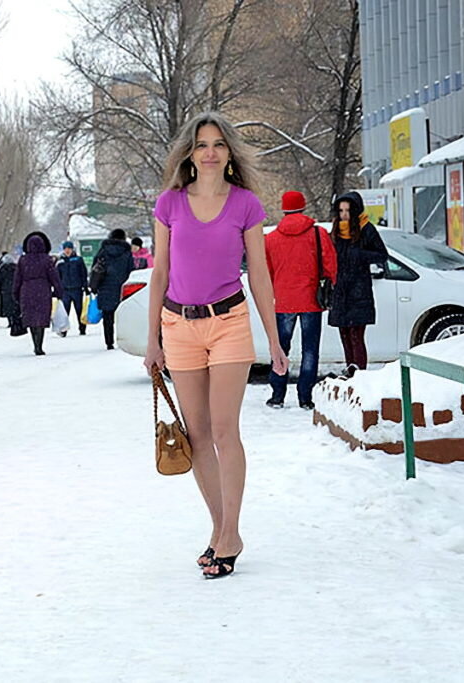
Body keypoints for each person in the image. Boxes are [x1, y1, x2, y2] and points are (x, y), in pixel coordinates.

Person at [143, 111, 289, 579]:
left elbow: (261, 275)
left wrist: (274, 338)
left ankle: (229, 535)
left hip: (228, 323)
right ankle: (222, 530)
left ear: (229, 154)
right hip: (179, 327)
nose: (210, 153)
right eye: (202, 145)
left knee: (226, 432)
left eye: (219, 145)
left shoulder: (245, 204)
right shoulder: (169, 204)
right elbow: (160, 274)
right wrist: (153, 341)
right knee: (198, 435)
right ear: (190, 152)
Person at [264, 191, 337, 410]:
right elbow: (331, 264)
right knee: (310, 349)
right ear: (303, 207)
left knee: (281, 348)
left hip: (284, 300)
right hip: (311, 300)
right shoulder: (318, 234)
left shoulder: (271, 238)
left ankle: (277, 394)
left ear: (283, 208)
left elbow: (266, 272)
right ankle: (305, 397)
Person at [328, 190, 388, 377]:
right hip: (340, 290)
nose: (344, 214)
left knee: (356, 334)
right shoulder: (336, 230)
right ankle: (349, 369)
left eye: (347, 210)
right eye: (341, 210)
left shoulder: (366, 228)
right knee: (344, 333)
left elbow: (382, 255)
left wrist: (360, 255)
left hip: (359, 290)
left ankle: (360, 373)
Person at [13, 231, 63, 355]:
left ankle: (35, 343)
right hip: (43, 290)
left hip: (27, 291)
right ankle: (39, 345)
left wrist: (15, 293)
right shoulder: (47, 260)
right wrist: (58, 291)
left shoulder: (23, 260)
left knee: (30, 318)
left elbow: (17, 278)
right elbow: (54, 277)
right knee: (41, 318)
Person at [90, 228, 134, 350]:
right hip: (122, 288)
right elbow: (131, 270)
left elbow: (95, 268)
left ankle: (109, 341)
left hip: (105, 288)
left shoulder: (103, 251)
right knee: (122, 316)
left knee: (107, 317)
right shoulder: (127, 253)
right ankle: (123, 340)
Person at [56, 240, 88, 336]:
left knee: (79, 309)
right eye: (65, 249)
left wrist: (85, 286)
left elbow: (83, 274)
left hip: (77, 288)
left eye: (69, 249)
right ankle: (63, 330)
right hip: (65, 290)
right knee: (65, 311)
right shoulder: (60, 262)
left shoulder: (78, 260)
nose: (67, 251)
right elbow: (57, 277)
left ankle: (82, 328)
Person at [0, 251, 24, 336]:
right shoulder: (16, 268)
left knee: (7, 306)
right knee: (15, 305)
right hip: (14, 289)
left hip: (5, 290)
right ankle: (15, 320)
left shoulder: (2, 268)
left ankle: (10, 321)